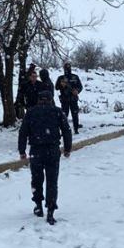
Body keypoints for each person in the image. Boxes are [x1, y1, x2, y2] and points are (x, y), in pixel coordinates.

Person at [19, 88, 72, 223]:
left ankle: (38, 205)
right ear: (51, 100)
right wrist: (67, 148)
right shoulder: (57, 112)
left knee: (36, 179)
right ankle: (50, 210)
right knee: (52, 181)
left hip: (36, 151)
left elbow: (23, 132)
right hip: (53, 150)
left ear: (38, 100)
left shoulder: (31, 113)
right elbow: (66, 130)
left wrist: (22, 150)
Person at [56, 62, 84, 133]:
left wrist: (77, 91)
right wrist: (61, 85)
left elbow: (80, 87)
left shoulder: (75, 77)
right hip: (64, 100)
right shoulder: (61, 78)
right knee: (64, 116)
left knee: (75, 115)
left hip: (73, 99)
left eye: (68, 68)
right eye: (66, 68)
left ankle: (76, 129)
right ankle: (64, 131)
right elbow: (56, 87)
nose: (67, 69)